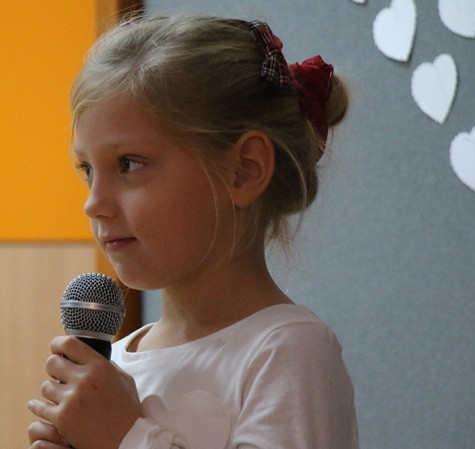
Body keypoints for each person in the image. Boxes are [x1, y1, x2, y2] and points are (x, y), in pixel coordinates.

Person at [27, 14, 359, 449]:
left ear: (243, 170)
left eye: (129, 164)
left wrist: (124, 436)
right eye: (88, 170)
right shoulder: (117, 367)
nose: (94, 203)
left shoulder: (289, 351)